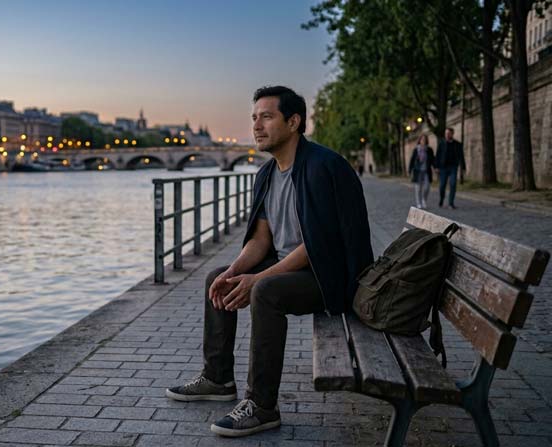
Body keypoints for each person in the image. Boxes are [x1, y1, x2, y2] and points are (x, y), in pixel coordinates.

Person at [165, 86, 374, 437]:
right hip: (292, 266)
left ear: (293, 122)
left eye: (266, 116)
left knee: (266, 291)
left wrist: (258, 280)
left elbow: (316, 246)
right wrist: (235, 272)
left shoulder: (324, 167)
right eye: (254, 118)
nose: (257, 126)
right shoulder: (265, 174)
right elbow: (261, 240)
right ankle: (217, 378)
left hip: (330, 275)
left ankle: (261, 405)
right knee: (218, 277)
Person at [436, 127, 465, 209]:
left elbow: (461, 156)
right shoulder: (441, 144)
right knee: (442, 186)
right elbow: (438, 155)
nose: (447, 135)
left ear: (452, 134)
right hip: (443, 168)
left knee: (453, 184)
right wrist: (436, 167)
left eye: (448, 133)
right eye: (446, 133)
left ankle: (451, 203)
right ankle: (441, 199)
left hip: (453, 167)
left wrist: (463, 167)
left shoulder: (457, 144)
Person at [408, 134, 435, 209]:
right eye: (422, 139)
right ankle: (418, 203)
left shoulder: (429, 150)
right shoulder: (416, 150)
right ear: (419, 140)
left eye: (425, 139)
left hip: (426, 171)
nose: (423, 141)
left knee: (427, 187)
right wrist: (410, 170)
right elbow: (412, 160)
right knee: (418, 188)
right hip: (418, 171)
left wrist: (435, 167)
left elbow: (432, 159)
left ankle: (424, 200)